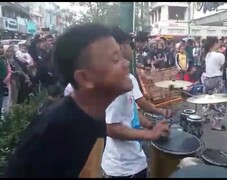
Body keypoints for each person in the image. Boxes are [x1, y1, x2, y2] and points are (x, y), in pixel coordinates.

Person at [4, 23, 133, 178]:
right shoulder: (56, 131)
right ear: (84, 78)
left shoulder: (93, 114)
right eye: (115, 59)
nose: (126, 63)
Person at [102, 27, 170, 178]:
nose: (132, 50)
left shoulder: (128, 78)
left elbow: (131, 109)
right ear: (119, 47)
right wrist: (150, 134)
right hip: (123, 169)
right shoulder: (114, 82)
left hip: (134, 159)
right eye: (130, 45)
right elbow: (111, 128)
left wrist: (152, 125)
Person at [202, 36, 226, 131]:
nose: (220, 44)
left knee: (207, 99)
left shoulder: (207, 54)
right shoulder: (220, 55)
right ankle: (216, 123)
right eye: (218, 42)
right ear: (215, 44)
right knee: (220, 101)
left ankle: (205, 115)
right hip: (217, 79)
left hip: (208, 79)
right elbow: (223, 67)